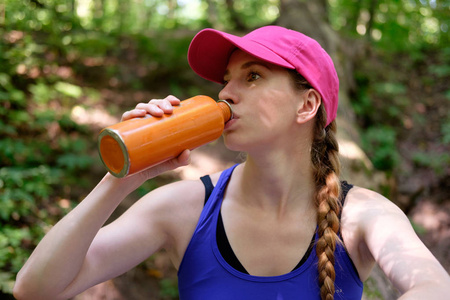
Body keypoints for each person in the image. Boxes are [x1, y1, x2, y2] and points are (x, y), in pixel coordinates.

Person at [13, 26, 449, 300]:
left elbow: (434, 286)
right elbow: (36, 289)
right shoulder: (184, 208)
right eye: (226, 81)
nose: (226, 94)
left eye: (253, 76)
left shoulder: (362, 214)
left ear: (307, 104)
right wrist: (122, 177)